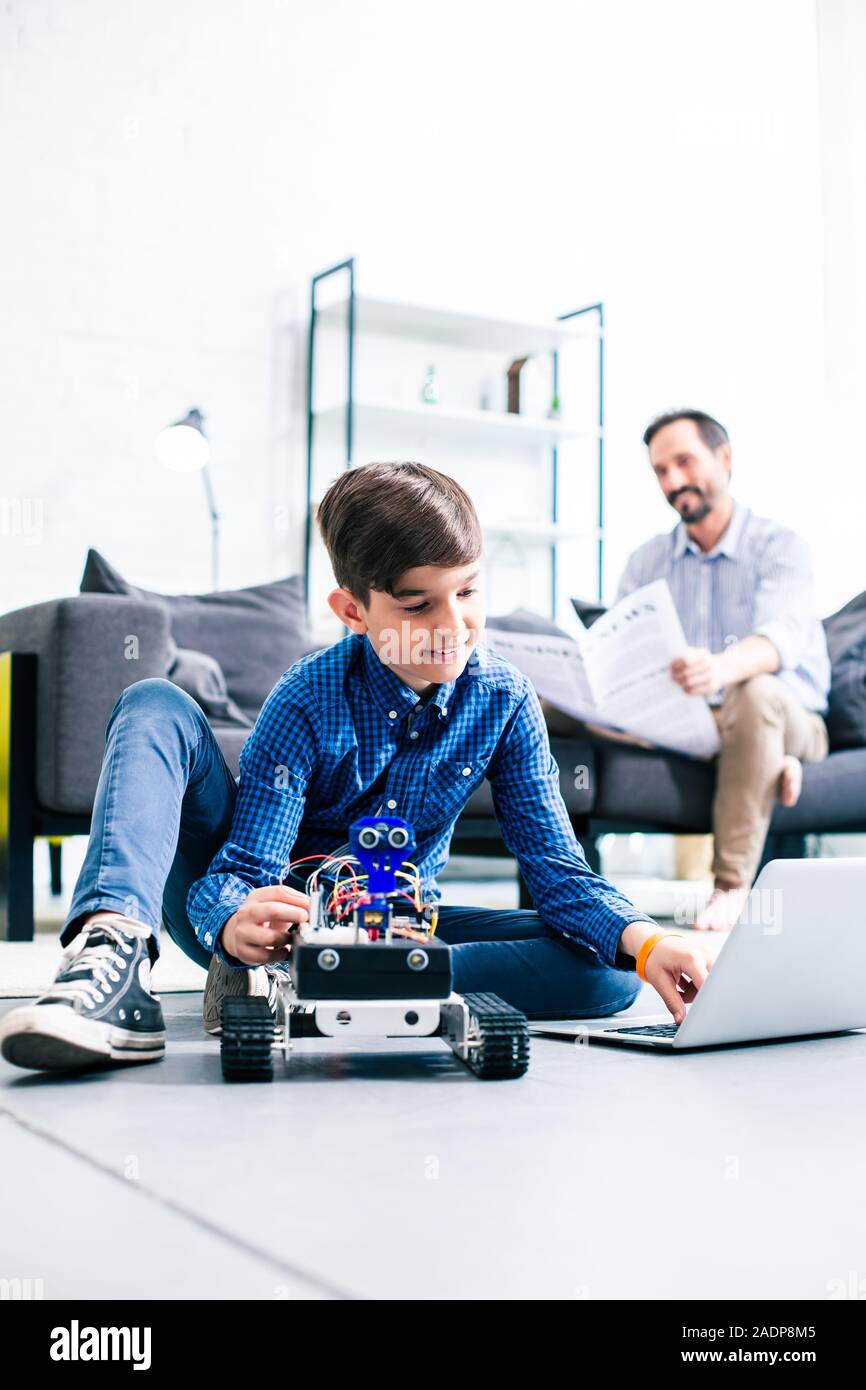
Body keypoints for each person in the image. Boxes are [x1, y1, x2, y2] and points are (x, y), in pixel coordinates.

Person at [0, 461, 712, 1073]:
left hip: (396, 929)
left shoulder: (503, 700)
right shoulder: (306, 697)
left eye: (467, 592)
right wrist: (231, 922)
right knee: (153, 701)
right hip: (266, 922)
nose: (453, 626)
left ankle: (342, 985)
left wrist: (648, 942)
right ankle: (111, 955)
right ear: (353, 609)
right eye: (417, 605)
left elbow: (558, 874)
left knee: (611, 974)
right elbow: (242, 868)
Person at [548, 411, 831, 932]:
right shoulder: (647, 560)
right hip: (684, 723)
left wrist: (719, 669)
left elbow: (781, 639)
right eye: (660, 470)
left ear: (724, 459)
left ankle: (729, 888)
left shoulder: (779, 546)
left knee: (755, 695)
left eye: (684, 462)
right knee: (544, 703)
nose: (673, 481)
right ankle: (554, 883)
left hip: (784, 712)